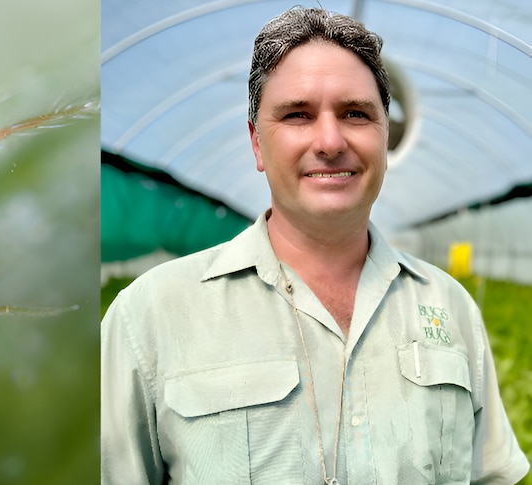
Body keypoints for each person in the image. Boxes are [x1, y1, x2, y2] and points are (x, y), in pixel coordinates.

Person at [101, 7, 529, 484]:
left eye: (355, 114)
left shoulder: (450, 308)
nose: (329, 140)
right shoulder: (149, 316)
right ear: (257, 144)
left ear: (385, 136)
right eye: (298, 115)